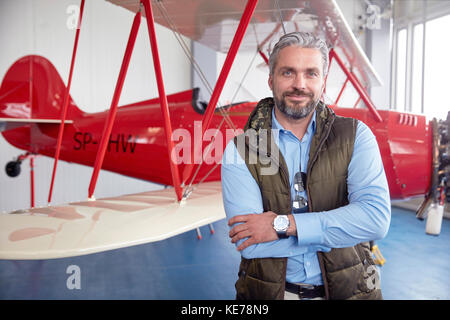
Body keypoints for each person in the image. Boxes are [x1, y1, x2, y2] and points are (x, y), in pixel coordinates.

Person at [221, 32, 391, 300]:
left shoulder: (357, 135)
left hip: (352, 292)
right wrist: (340, 230)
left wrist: (282, 225)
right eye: (288, 73)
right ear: (271, 80)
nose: (299, 84)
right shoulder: (239, 150)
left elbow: (375, 221)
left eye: (311, 73)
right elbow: (250, 245)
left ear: (323, 81)